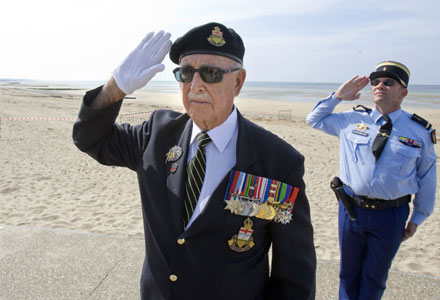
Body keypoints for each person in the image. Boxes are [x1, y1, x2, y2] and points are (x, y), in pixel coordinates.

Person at [73, 22, 316, 299]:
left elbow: (295, 275)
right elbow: (90, 139)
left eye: (211, 73)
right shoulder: (157, 133)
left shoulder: (278, 162)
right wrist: (116, 88)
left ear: (238, 82)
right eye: (186, 73)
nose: (195, 85)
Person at [306, 61, 437, 300]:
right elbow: (314, 119)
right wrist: (337, 97)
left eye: (389, 83)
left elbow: (427, 176)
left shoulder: (419, 131)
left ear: (403, 92)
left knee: (374, 278)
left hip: (391, 214)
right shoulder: (350, 120)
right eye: (375, 82)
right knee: (347, 274)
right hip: (351, 209)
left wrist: (418, 217)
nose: (380, 86)